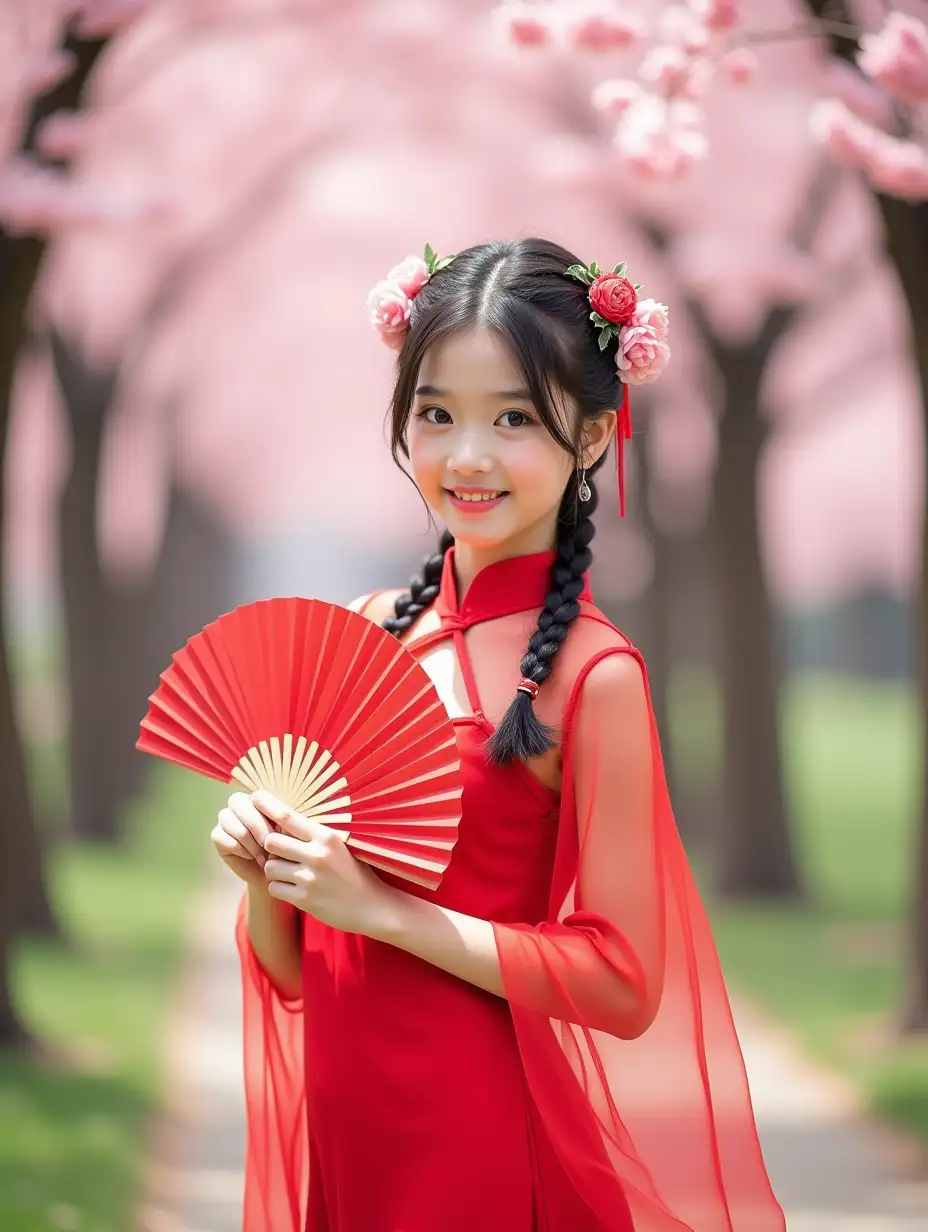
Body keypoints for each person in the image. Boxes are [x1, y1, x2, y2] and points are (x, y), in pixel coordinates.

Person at [211, 237, 786, 1232]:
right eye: (435, 413)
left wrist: (385, 912)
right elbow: (298, 967)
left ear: (594, 436)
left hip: (473, 1127)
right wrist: (267, 873)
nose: (465, 455)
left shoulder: (592, 675)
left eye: (512, 417)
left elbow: (622, 978)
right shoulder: (365, 626)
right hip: (351, 1130)